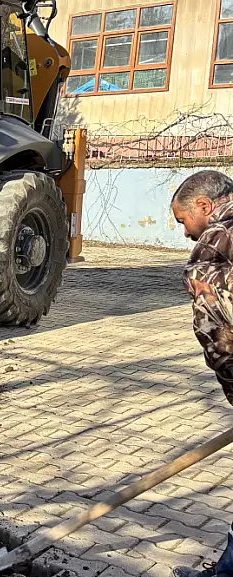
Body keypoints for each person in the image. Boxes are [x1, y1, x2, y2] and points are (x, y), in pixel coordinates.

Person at [172, 169, 233, 577]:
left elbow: (218, 330)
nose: (185, 233)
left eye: (183, 221)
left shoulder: (217, 244)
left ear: (204, 207)